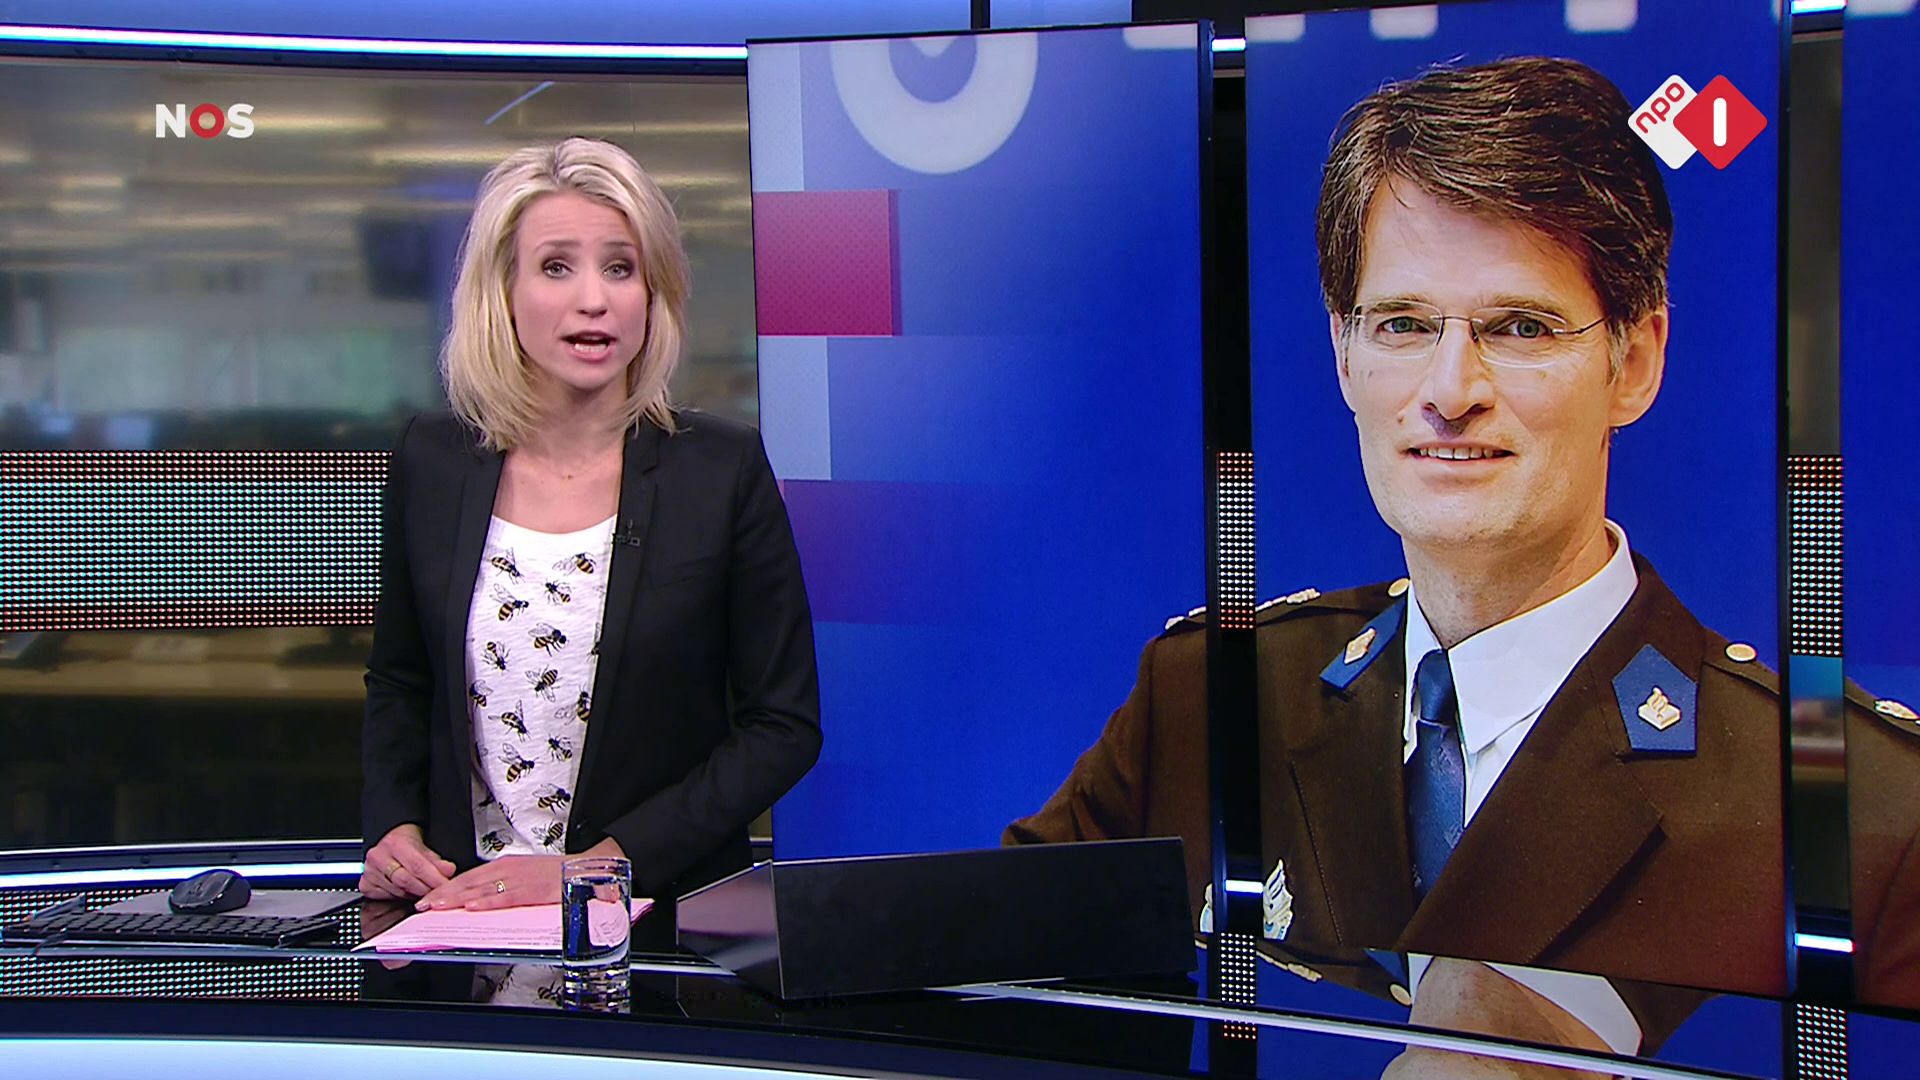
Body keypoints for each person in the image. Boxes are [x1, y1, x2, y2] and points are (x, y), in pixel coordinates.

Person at [1006, 56, 1879, 1052]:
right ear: (1345, 355)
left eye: (1520, 327)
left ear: (1634, 362)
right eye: (1405, 325)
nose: (1451, 390)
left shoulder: (1843, 800)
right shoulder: (1208, 701)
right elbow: (976, 1002)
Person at [359, 138, 821, 927]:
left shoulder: (720, 469)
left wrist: (601, 864)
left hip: (658, 927)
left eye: (620, 268)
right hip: (456, 916)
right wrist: (393, 824)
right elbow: (401, 681)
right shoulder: (433, 460)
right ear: (503, 293)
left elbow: (783, 726)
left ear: (653, 293)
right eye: (555, 267)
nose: (594, 300)